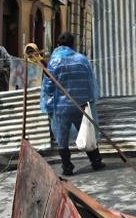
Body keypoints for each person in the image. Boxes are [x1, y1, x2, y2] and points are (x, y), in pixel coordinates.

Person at [41, 32, 104, 176]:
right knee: (88, 132)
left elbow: (48, 86)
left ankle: (67, 167)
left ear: (58, 44)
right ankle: (96, 161)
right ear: (72, 44)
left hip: (61, 107)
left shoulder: (54, 62)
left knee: (61, 138)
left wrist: (48, 105)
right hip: (81, 104)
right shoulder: (82, 59)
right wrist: (90, 99)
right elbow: (90, 82)